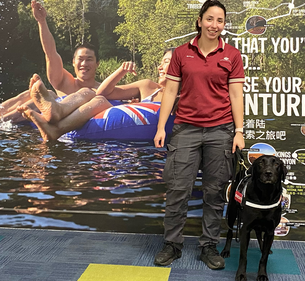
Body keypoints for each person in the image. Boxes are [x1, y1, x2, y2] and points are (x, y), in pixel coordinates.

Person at [153, 0, 245, 270]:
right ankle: (172, 244)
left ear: (224, 25)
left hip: (221, 131)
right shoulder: (182, 53)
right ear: (199, 20)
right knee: (177, 189)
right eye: (210, 19)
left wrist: (239, 131)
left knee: (215, 192)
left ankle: (208, 246)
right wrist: (161, 127)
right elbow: (170, 92)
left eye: (220, 21)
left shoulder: (232, 55)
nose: (214, 25)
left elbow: (237, 95)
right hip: (185, 130)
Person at [17, 49, 175, 141]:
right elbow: (103, 92)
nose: (160, 67)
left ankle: (56, 127)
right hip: (111, 111)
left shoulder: (182, 99)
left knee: (99, 100)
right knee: (90, 93)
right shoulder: (147, 86)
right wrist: (121, 71)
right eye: (161, 62)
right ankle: (57, 111)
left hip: (125, 122)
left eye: (166, 62)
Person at [0, 1, 100, 123]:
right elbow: (50, 53)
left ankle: (4, 120)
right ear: (73, 62)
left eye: (89, 59)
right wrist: (41, 22)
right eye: (80, 59)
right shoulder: (64, 81)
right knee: (32, 93)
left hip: (65, 126)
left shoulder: (103, 89)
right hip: (31, 124)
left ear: (97, 64)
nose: (84, 64)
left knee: (49, 95)